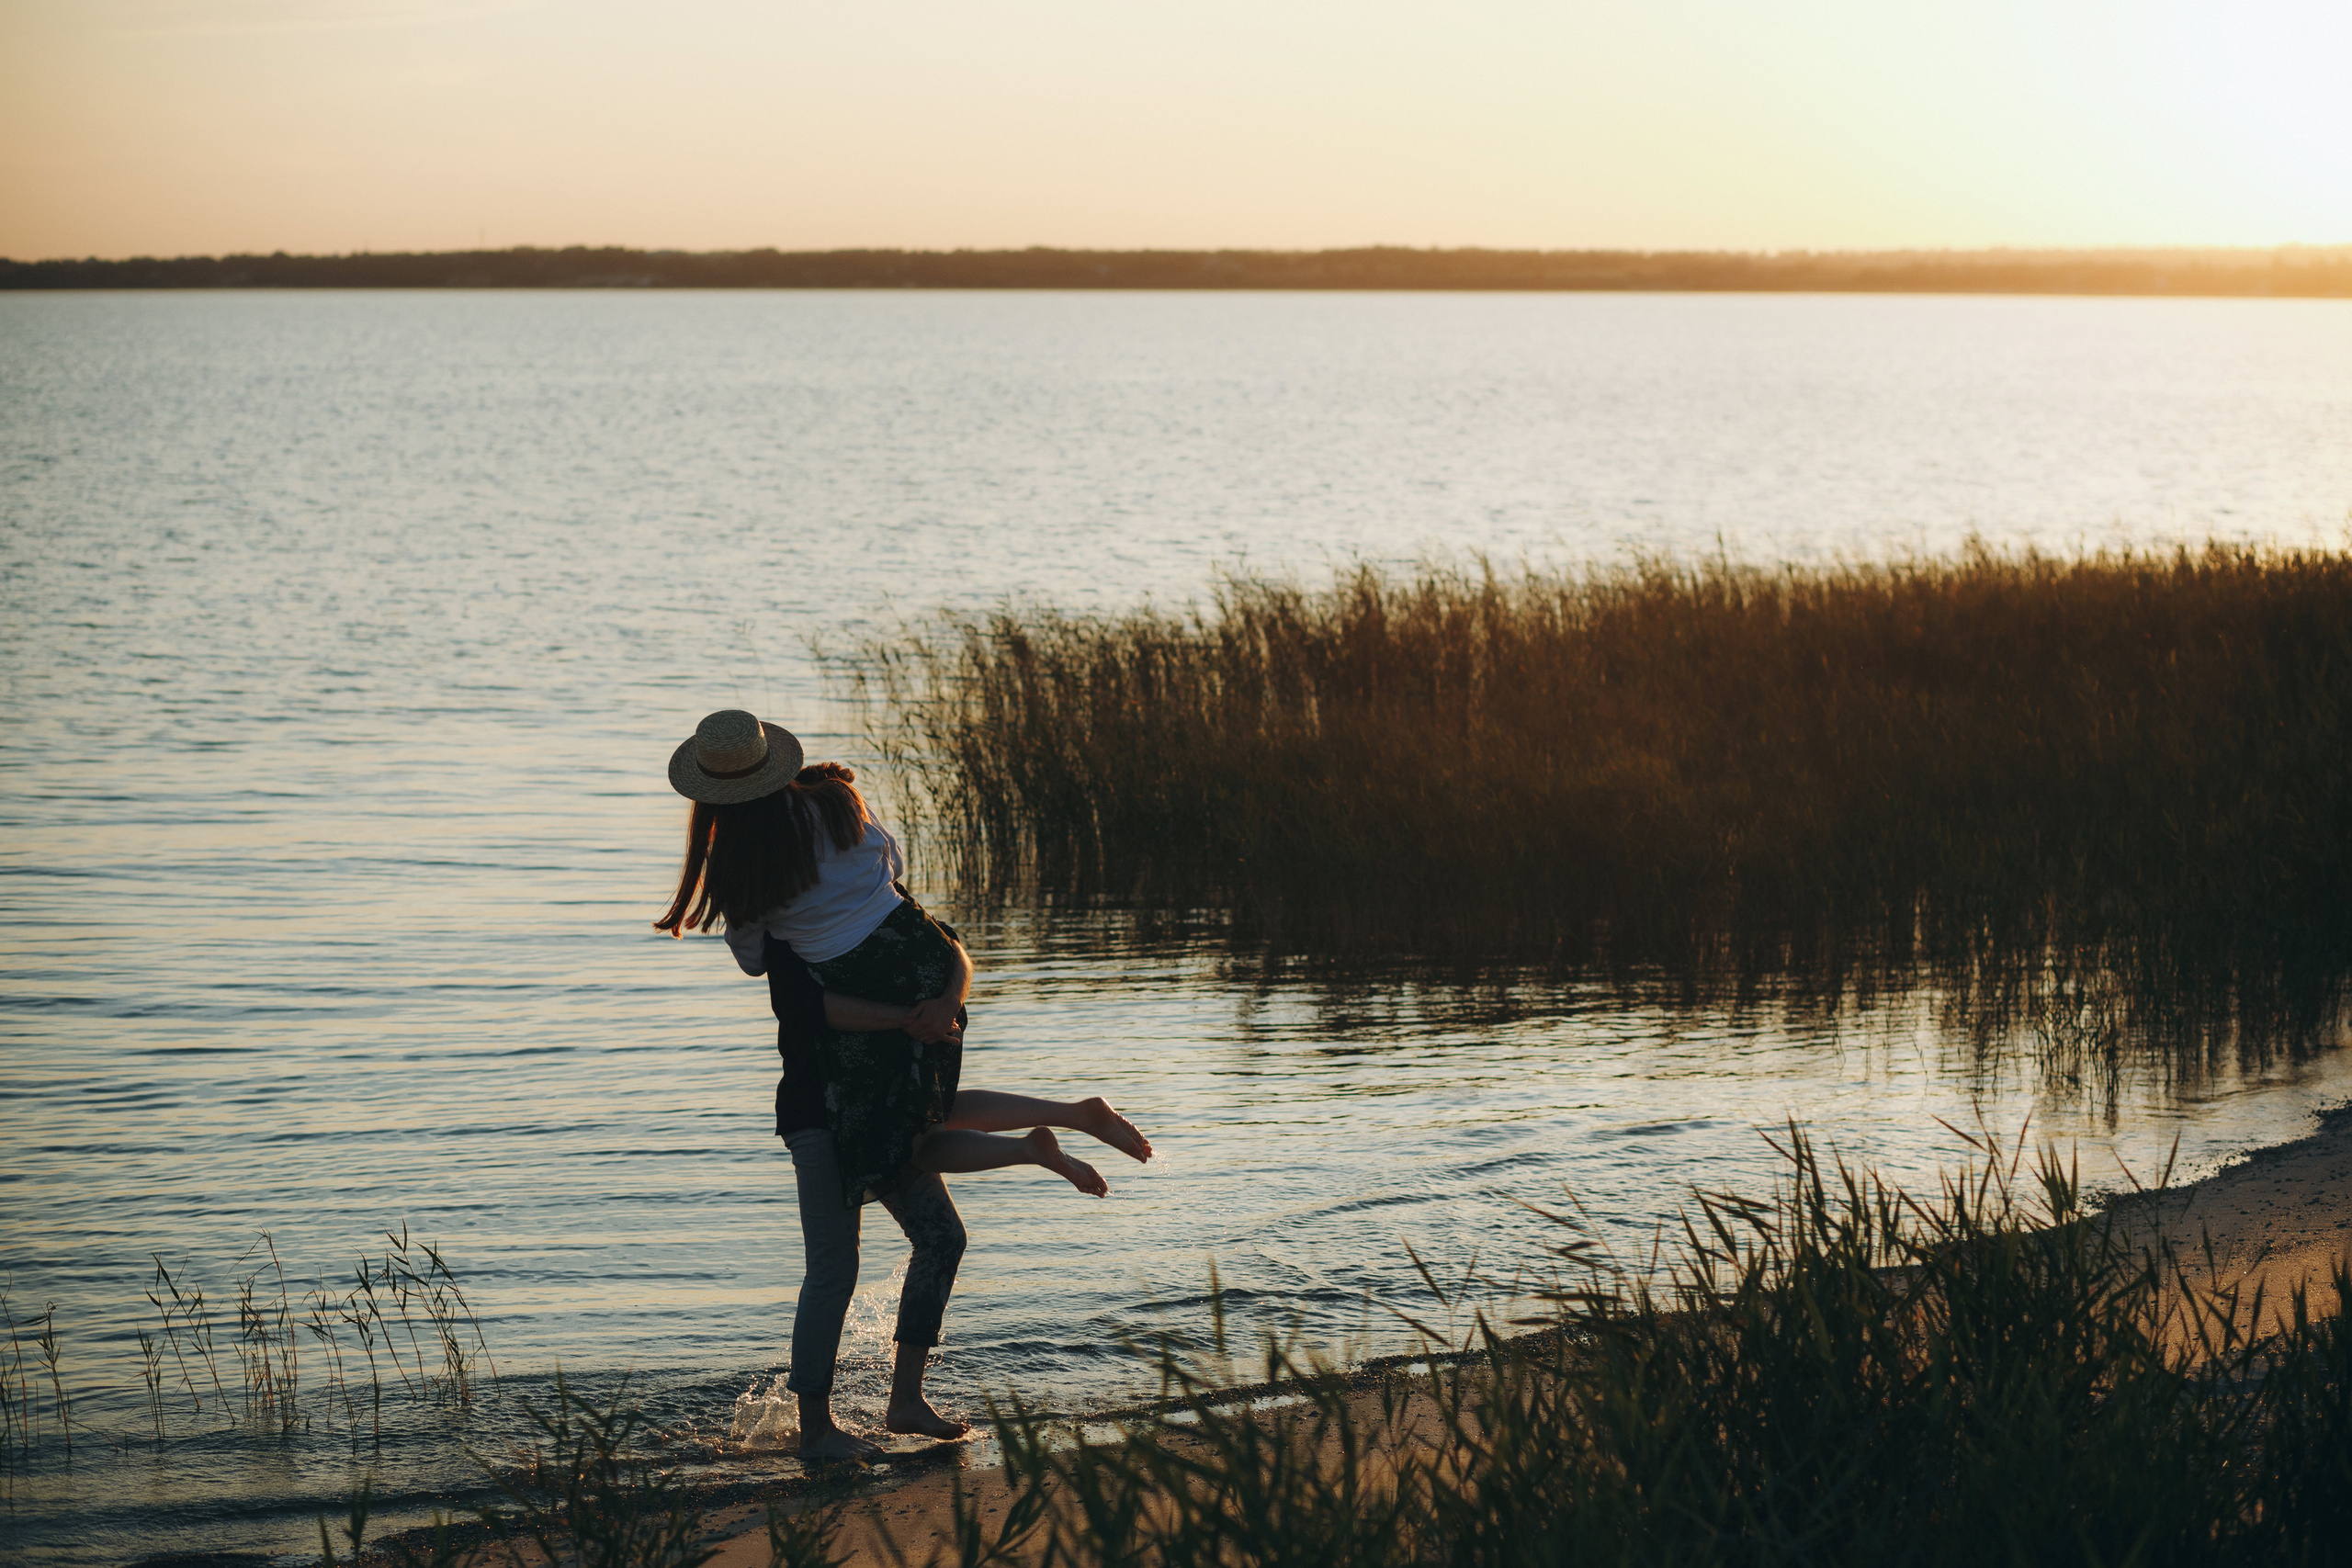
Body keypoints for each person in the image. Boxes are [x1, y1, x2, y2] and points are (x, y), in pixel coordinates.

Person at [655, 708, 1152, 1460]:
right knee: (870, 1235)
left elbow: (763, 965)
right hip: (829, 1103)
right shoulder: (839, 814)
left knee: (889, 1243)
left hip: (851, 1090)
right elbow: (929, 930)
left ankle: (898, 1403)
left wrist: (905, 1006)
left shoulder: (760, 889)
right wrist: (935, 1002)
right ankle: (823, 1427)